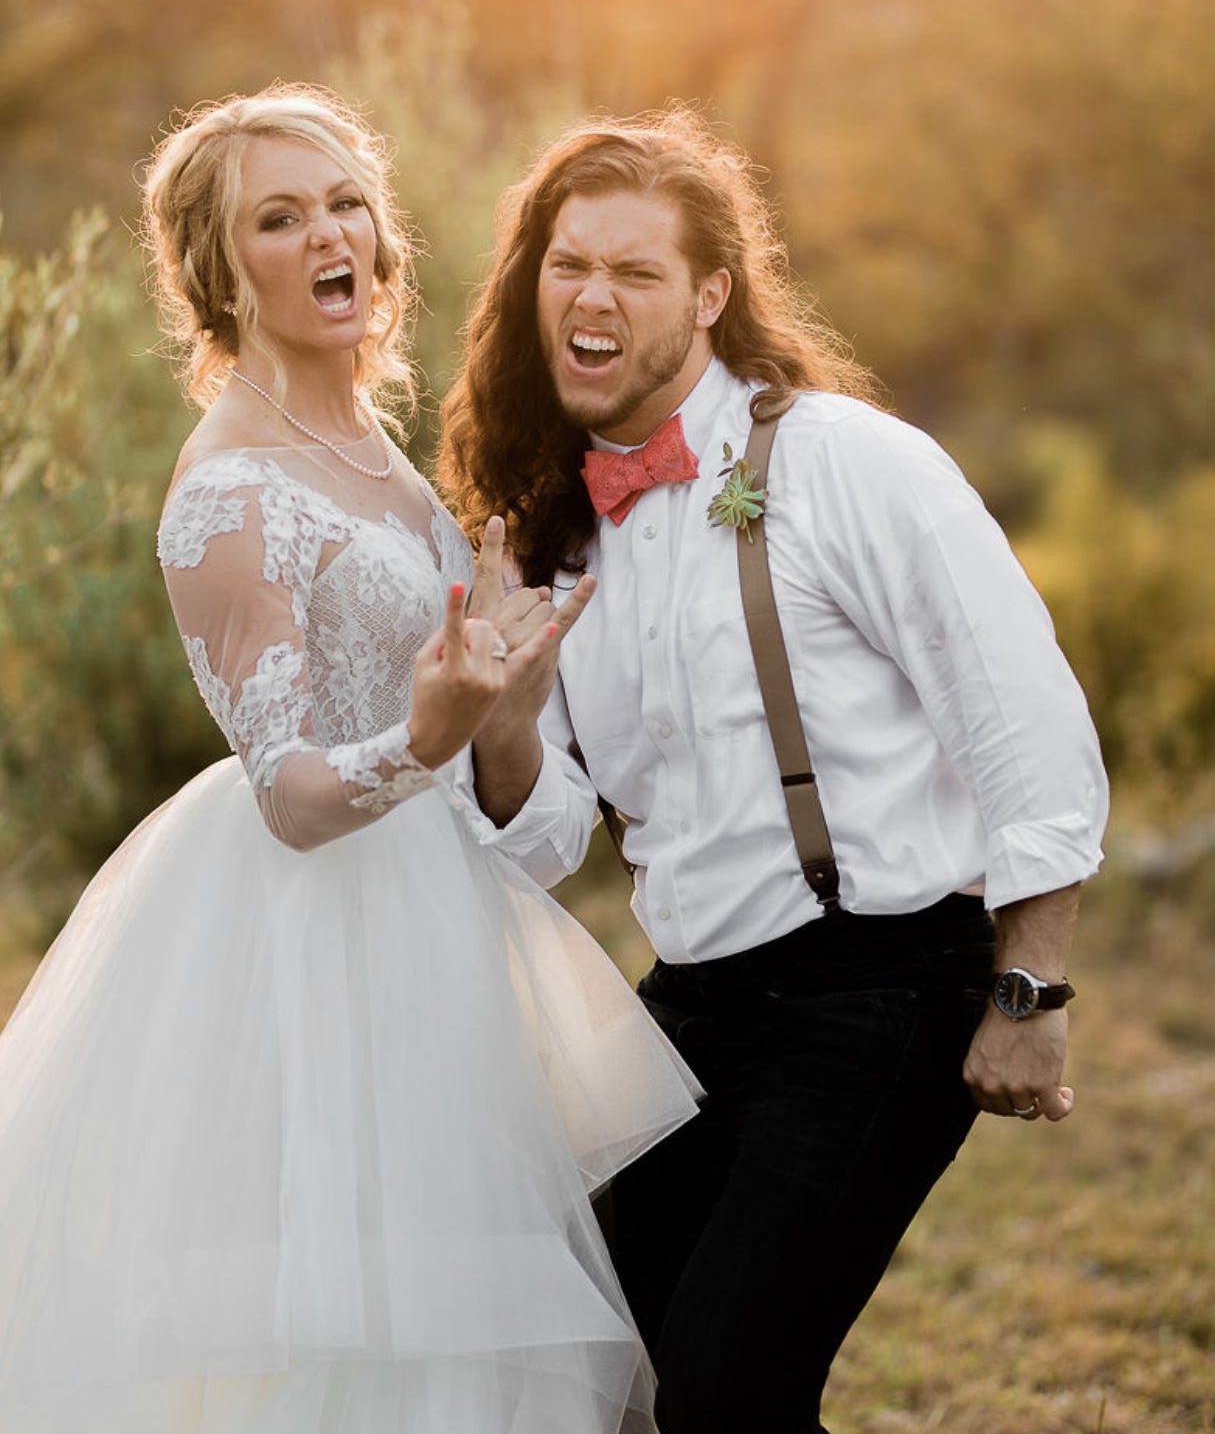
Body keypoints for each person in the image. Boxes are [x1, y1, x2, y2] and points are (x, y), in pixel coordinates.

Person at [0, 84, 703, 1434]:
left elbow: (468, 735)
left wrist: (501, 697)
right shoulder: (226, 490)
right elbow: (290, 796)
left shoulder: (378, 450)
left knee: (464, 1297)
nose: (330, 234)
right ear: (219, 274)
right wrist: (427, 735)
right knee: (332, 1327)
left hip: (438, 925)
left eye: (344, 204)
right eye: (279, 218)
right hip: (304, 952)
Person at [437, 105, 1110, 1434]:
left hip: (879, 984)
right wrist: (502, 717)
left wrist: (1030, 986)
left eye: (635, 271)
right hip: (690, 999)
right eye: (569, 265)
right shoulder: (550, 531)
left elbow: (1022, 717)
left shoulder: (844, 462)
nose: (593, 296)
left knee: (726, 1393)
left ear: (712, 296)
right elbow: (551, 836)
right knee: (593, 1376)